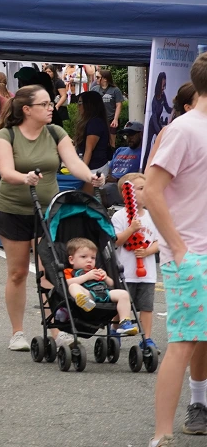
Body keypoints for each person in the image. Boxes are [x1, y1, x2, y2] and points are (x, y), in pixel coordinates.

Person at [0, 84, 105, 352]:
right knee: (18, 272)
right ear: (27, 109)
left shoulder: (55, 132)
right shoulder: (6, 135)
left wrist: (90, 176)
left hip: (49, 211)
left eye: (50, 103)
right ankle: (17, 332)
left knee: (49, 270)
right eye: (44, 104)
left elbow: (74, 162)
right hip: (14, 210)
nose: (50, 107)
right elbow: (7, 171)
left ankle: (57, 329)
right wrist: (25, 177)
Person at [146, 54, 207, 447]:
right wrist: (180, 249)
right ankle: (162, 435)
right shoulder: (184, 129)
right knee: (185, 340)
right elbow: (151, 189)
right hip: (193, 252)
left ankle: (199, 406)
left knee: (201, 337)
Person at [110, 173, 158, 340]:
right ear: (127, 192)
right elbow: (115, 241)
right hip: (125, 272)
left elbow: (160, 242)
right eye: (140, 188)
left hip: (147, 274)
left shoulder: (153, 216)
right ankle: (115, 331)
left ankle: (147, 338)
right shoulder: (120, 216)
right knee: (120, 305)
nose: (146, 192)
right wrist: (131, 229)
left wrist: (148, 251)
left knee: (146, 307)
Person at [63, 237, 138, 331]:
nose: (89, 260)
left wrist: (106, 277)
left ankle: (124, 321)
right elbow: (66, 283)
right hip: (89, 295)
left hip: (104, 293)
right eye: (84, 257)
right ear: (71, 260)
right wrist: (86, 277)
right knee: (73, 286)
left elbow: (111, 284)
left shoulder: (97, 270)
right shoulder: (69, 271)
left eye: (93, 258)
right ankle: (84, 301)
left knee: (124, 294)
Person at [74, 90, 113, 188]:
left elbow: (89, 150)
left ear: (88, 105)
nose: (78, 106)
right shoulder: (92, 122)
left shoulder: (95, 123)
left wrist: (82, 171)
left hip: (95, 168)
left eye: (80, 103)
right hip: (92, 167)